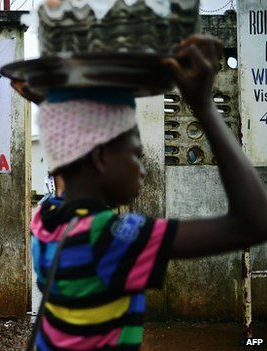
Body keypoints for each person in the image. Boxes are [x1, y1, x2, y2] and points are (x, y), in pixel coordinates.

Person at [28, 35, 267, 350]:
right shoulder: (108, 239)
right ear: (100, 157)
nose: (142, 167)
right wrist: (204, 106)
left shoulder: (46, 218)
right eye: (136, 153)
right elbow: (255, 221)